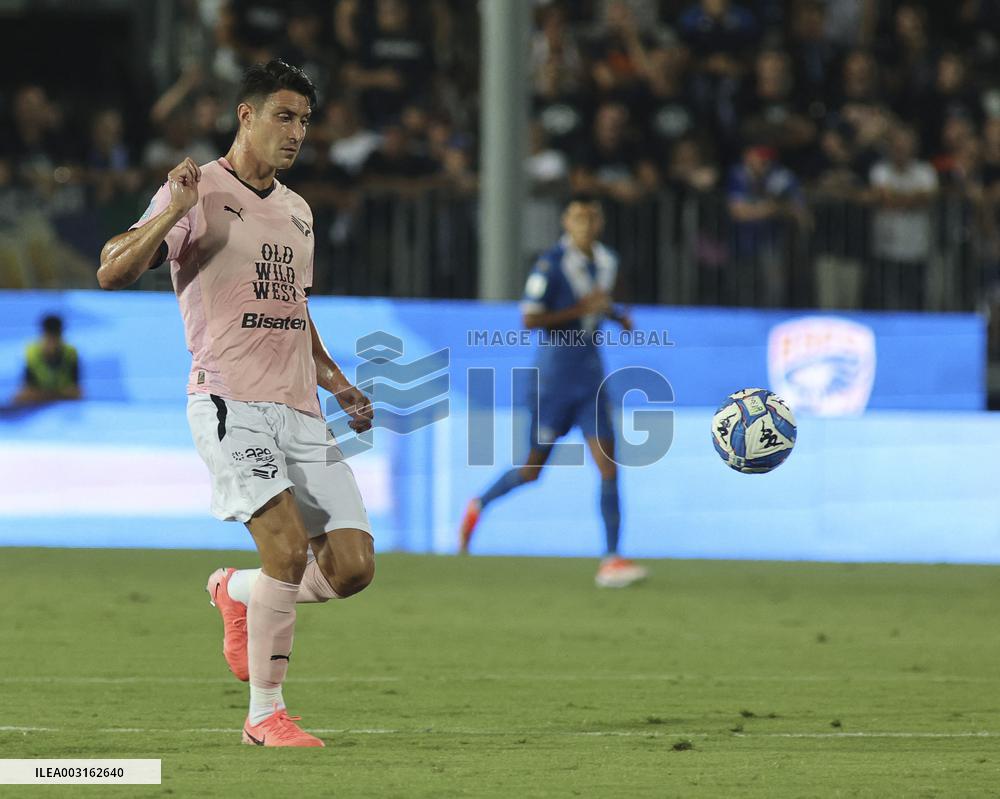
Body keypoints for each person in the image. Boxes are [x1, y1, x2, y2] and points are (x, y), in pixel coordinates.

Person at [96, 60, 375, 748]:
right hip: (231, 401)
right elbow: (110, 269)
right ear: (245, 116)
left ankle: (235, 590)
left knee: (352, 567)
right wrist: (172, 212)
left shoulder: (299, 211)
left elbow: (294, 310)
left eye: (305, 121)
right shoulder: (196, 189)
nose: (297, 132)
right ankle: (264, 714)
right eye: (284, 116)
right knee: (284, 547)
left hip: (301, 407)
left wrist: (336, 380)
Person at [458, 195, 648, 589]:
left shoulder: (606, 261)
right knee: (531, 470)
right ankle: (478, 504)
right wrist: (583, 309)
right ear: (566, 222)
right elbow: (530, 317)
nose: (586, 223)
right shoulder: (550, 264)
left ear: (599, 223)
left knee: (608, 464)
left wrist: (616, 316)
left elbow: (601, 303)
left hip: (590, 375)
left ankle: (611, 559)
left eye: (592, 216)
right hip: (554, 380)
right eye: (578, 216)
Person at [13, 314, 81, 405]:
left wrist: (44, 395)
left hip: (57, 396)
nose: (53, 341)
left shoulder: (71, 352)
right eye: (50, 337)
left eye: (55, 336)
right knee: (20, 396)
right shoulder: (32, 352)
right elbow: (27, 388)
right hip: (50, 396)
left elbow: (75, 390)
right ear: (43, 335)